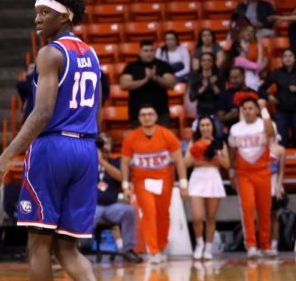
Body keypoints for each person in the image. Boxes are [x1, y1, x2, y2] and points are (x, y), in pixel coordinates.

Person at [0, 0, 123, 281]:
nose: (37, 20)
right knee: (66, 245)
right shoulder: (90, 54)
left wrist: (7, 155)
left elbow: (41, 112)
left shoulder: (50, 54)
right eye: (37, 14)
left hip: (53, 147)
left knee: (38, 244)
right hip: (86, 149)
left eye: (45, 14)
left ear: (66, 16)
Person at [120, 106, 189, 263]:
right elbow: (124, 163)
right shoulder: (131, 138)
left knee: (163, 215)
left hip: (164, 181)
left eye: (150, 114)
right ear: (138, 118)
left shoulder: (167, 135)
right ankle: (153, 250)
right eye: (143, 114)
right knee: (149, 213)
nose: (147, 117)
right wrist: (125, 186)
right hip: (141, 182)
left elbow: (179, 161)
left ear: (156, 116)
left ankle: (162, 245)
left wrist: (184, 184)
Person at [229, 98, 279, 257]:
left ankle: (266, 245)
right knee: (248, 208)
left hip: (263, 172)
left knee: (265, 209)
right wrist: (231, 170)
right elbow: (232, 150)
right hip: (244, 174)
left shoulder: (264, 123)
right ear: (241, 111)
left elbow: (271, 133)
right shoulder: (235, 129)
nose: (248, 111)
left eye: (251, 108)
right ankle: (251, 244)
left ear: (257, 110)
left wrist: (265, 110)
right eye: (245, 108)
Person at [185, 116, 230, 260]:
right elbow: (186, 163)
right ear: (198, 128)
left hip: (213, 178)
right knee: (197, 217)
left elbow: (227, 164)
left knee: (211, 217)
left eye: (208, 125)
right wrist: (196, 151)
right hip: (197, 178)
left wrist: (216, 154)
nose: (205, 128)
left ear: (213, 126)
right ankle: (199, 244)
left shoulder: (220, 143)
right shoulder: (193, 143)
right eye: (202, 125)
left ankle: (208, 247)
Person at [94, 133, 141, 263]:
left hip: (111, 206)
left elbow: (121, 177)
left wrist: (102, 162)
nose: (104, 146)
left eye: (107, 142)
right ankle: (76, 249)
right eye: (101, 143)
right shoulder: (88, 161)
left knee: (129, 211)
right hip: (93, 206)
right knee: (83, 214)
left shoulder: (116, 161)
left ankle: (128, 249)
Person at [119, 39, 177, 127]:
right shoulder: (131, 67)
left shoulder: (163, 65)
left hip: (161, 113)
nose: (149, 53)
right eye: (146, 51)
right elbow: (124, 85)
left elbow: (172, 84)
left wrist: (155, 78)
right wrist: (145, 80)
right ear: (140, 52)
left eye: (151, 50)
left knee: (162, 140)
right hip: (138, 114)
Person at [260, 49, 296, 147]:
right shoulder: (276, 73)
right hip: (281, 111)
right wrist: (269, 96)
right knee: (281, 139)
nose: (288, 58)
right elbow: (261, 89)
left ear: (294, 58)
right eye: (285, 56)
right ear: (282, 59)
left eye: (290, 56)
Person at [190, 52, 224, 119]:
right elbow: (192, 97)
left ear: (213, 62)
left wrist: (214, 86)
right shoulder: (195, 77)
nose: (206, 62)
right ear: (200, 62)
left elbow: (222, 97)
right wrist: (203, 87)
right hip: (201, 110)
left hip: (216, 110)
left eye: (209, 60)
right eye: (203, 60)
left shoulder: (219, 76)